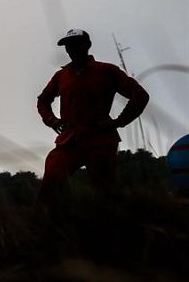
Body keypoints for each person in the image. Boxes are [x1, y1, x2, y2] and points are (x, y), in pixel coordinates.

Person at [36, 29, 149, 209]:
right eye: (68, 46)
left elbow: (140, 96)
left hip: (100, 141)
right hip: (69, 141)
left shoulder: (107, 71)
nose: (71, 49)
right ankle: (45, 226)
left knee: (104, 194)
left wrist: (118, 122)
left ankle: (109, 229)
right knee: (52, 176)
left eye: (75, 44)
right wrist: (52, 120)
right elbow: (43, 100)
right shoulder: (61, 76)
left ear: (87, 45)